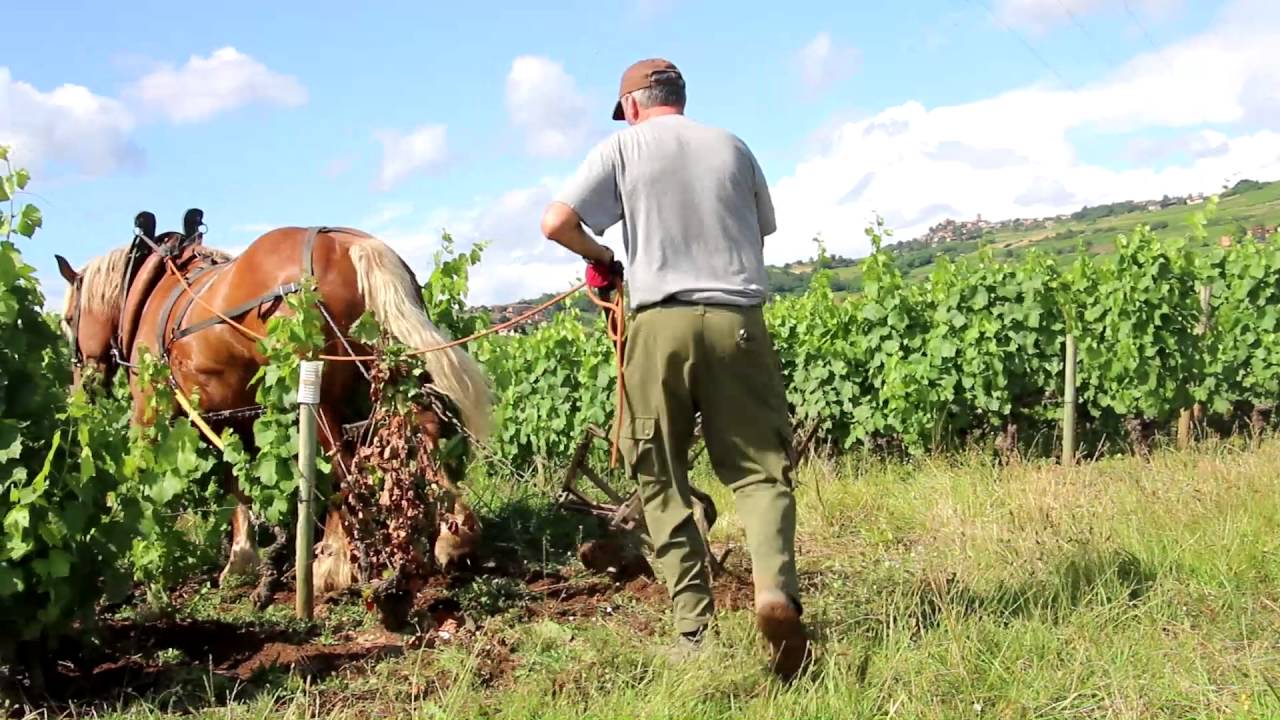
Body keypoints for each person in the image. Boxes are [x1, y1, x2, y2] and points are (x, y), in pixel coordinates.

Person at [539, 58, 810, 679]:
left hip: (659, 325)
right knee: (761, 471)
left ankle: (693, 631)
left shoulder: (623, 147)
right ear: (679, 98)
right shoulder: (733, 147)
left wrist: (603, 253)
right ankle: (774, 590)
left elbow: (555, 221)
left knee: (659, 474)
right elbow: (761, 231)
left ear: (632, 104)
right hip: (738, 320)